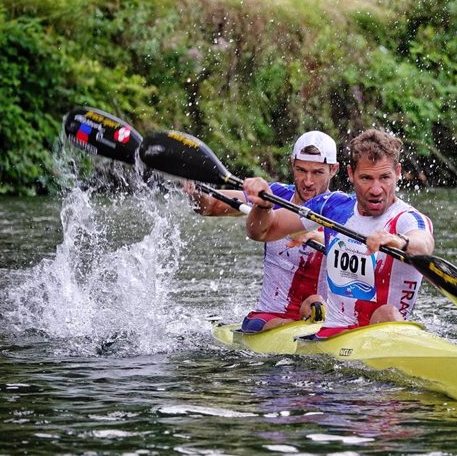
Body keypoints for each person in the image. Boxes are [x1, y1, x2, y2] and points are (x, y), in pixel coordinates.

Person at [243, 129, 435, 338]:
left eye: (385, 177)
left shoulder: (408, 218)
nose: (376, 189)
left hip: (385, 331)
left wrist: (400, 242)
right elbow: (262, 232)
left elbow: (424, 243)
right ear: (351, 174)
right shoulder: (332, 206)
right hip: (330, 337)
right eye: (366, 178)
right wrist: (263, 206)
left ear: (397, 172)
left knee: (387, 314)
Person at [184, 131, 340, 332]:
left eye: (318, 172)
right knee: (315, 305)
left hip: (320, 313)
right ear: (292, 164)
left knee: (315, 303)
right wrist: (196, 192)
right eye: (301, 170)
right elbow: (210, 206)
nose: (308, 181)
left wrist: (322, 237)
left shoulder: (341, 208)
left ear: (334, 169)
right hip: (267, 319)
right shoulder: (274, 195)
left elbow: (367, 251)